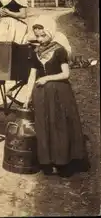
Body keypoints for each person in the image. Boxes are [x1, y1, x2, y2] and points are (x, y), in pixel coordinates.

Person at [23, 15, 88, 177]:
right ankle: (48, 162)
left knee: (59, 126)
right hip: (41, 95)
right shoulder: (36, 52)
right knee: (44, 127)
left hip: (59, 93)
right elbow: (32, 76)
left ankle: (63, 162)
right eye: (37, 36)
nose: (40, 39)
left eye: (43, 35)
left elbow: (65, 74)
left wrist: (46, 78)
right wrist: (27, 97)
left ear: (50, 33)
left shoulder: (59, 50)